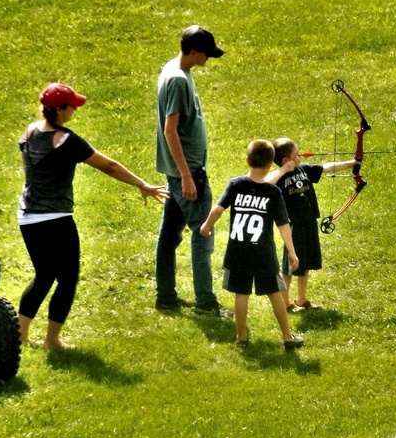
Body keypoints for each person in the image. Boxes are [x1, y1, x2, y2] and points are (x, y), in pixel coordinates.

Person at [18, 83, 169, 350]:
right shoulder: (66, 140)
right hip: (56, 219)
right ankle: (51, 341)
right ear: (59, 109)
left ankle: (20, 335)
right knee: (67, 279)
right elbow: (109, 166)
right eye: (71, 106)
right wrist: (141, 184)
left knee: (43, 276)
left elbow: (28, 171)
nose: (75, 109)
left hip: (28, 217)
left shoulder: (29, 132)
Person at [154, 25, 230, 317]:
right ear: (194, 51)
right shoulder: (176, 80)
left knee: (169, 236)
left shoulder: (174, 70)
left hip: (178, 172)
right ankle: (206, 304)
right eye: (206, 55)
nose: (208, 60)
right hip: (188, 174)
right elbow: (170, 130)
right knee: (203, 234)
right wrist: (187, 175)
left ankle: (166, 298)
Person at [199, 140, 304, 349]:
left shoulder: (235, 184)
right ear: (270, 165)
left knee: (242, 293)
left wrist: (206, 225)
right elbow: (283, 224)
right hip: (263, 252)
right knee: (275, 292)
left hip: (238, 251)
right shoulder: (273, 193)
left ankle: (241, 337)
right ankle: (287, 338)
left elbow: (219, 209)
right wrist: (292, 252)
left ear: (247, 160)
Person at [266, 137, 358, 311]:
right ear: (286, 160)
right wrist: (283, 170)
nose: (301, 156)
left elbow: (328, 167)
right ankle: (285, 303)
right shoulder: (278, 177)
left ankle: (301, 299)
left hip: (309, 222)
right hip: (293, 226)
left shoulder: (305, 169)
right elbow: (265, 184)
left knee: (306, 262)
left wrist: (353, 163)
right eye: (297, 154)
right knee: (290, 265)